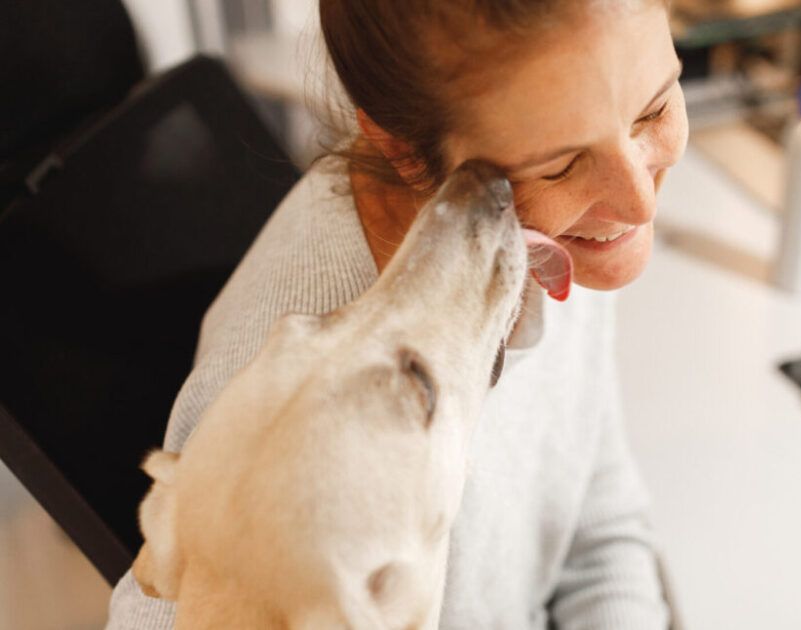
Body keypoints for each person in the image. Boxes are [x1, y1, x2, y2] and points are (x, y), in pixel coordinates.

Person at [106, 0, 688, 627]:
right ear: (407, 153)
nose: (638, 203)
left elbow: (597, 527)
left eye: (654, 106)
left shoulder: (559, 214)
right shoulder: (273, 420)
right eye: (560, 165)